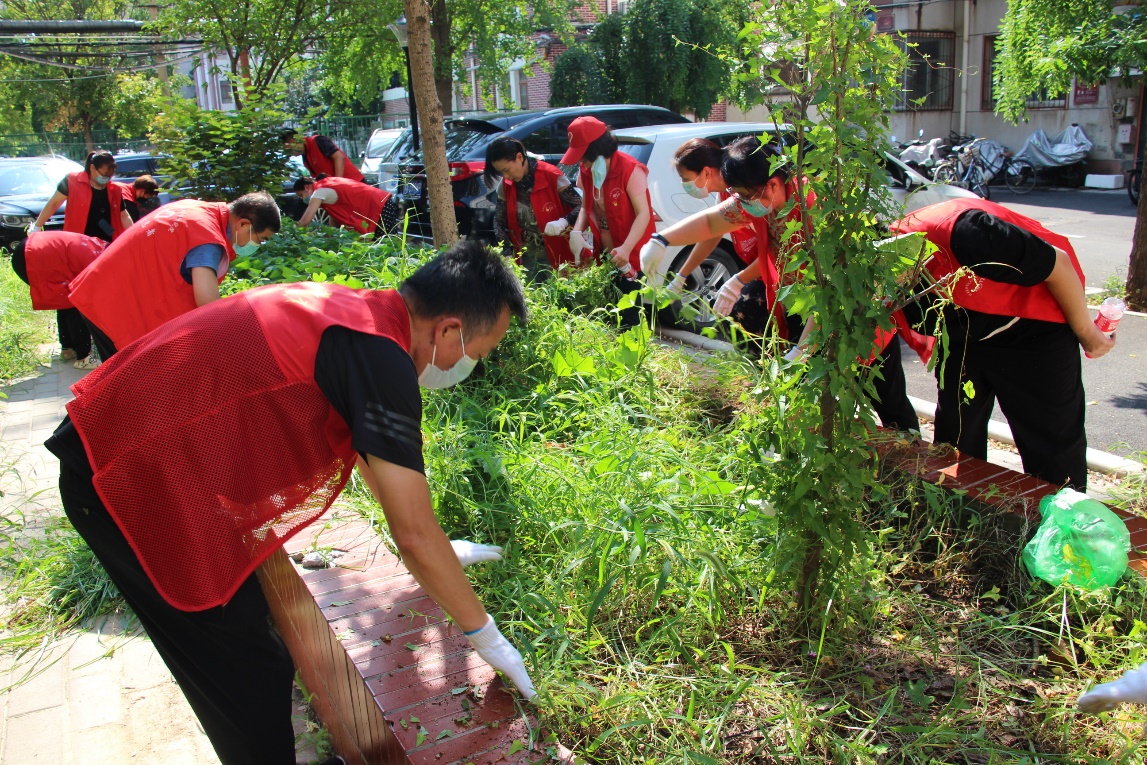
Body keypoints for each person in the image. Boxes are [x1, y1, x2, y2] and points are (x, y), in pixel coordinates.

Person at [44, 240, 536, 765]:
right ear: (449, 330)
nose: (470, 367)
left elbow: (376, 467)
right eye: (477, 354)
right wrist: (486, 637)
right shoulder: (378, 356)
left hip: (124, 451)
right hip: (123, 480)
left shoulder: (356, 314)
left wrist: (439, 551)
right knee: (244, 665)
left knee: (249, 643)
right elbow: (411, 535)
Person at [640, 137, 923, 431]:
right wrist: (662, 239)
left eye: (746, 197)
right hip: (807, 306)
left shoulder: (815, 209)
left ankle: (913, 453)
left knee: (882, 390)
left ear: (774, 184)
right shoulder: (760, 197)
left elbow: (831, 289)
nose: (744, 205)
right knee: (817, 393)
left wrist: (801, 350)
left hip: (854, 310)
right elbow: (713, 223)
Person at [892, 198, 1114, 489]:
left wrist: (1089, 334)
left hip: (1033, 327)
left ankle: (1058, 525)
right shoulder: (882, 274)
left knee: (1050, 444)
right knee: (956, 434)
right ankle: (956, 514)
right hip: (968, 329)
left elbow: (1058, 264)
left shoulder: (968, 234)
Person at [66, 192, 280, 360]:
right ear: (243, 224)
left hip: (104, 292)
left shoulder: (195, 210)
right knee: (117, 393)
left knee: (115, 393)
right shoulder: (207, 239)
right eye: (260, 239)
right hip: (114, 307)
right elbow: (208, 305)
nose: (257, 246)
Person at [484, 136, 582, 279]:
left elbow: (581, 206)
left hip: (560, 254)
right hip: (527, 258)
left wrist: (564, 221)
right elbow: (499, 220)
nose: (506, 176)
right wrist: (505, 252)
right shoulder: (506, 185)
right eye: (501, 173)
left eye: (507, 170)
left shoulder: (551, 175)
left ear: (519, 157)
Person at [9, 232, 108, 370]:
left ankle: (67, 349)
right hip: (33, 256)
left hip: (28, 250)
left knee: (64, 301)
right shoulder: (98, 260)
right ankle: (84, 358)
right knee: (76, 304)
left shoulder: (98, 246)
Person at [29, 150, 133, 243]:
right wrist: (37, 226)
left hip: (106, 242)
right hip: (77, 242)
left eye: (110, 175)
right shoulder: (72, 181)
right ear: (92, 168)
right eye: (104, 174)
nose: (106, 178)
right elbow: (54, 203)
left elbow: (124, 215)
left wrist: (133, 235)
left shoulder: (114, 189)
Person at [294, 175, 402, 236]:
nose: (303, 199)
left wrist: (293, 233)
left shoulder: (319, 192)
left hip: (378, 205)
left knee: (386, 243)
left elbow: (304, 222)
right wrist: (332, 235)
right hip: (381, 201)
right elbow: (334, 216)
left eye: (301, 195)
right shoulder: (327, 183)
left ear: (307, 187)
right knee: (384, 242)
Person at [282, 129, 365, 182]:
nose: (291, 154)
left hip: (354, 183)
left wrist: (338, 183)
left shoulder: (317, 141)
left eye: (289, 149)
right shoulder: (305, 157)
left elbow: (339, 157)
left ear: (293, 141)